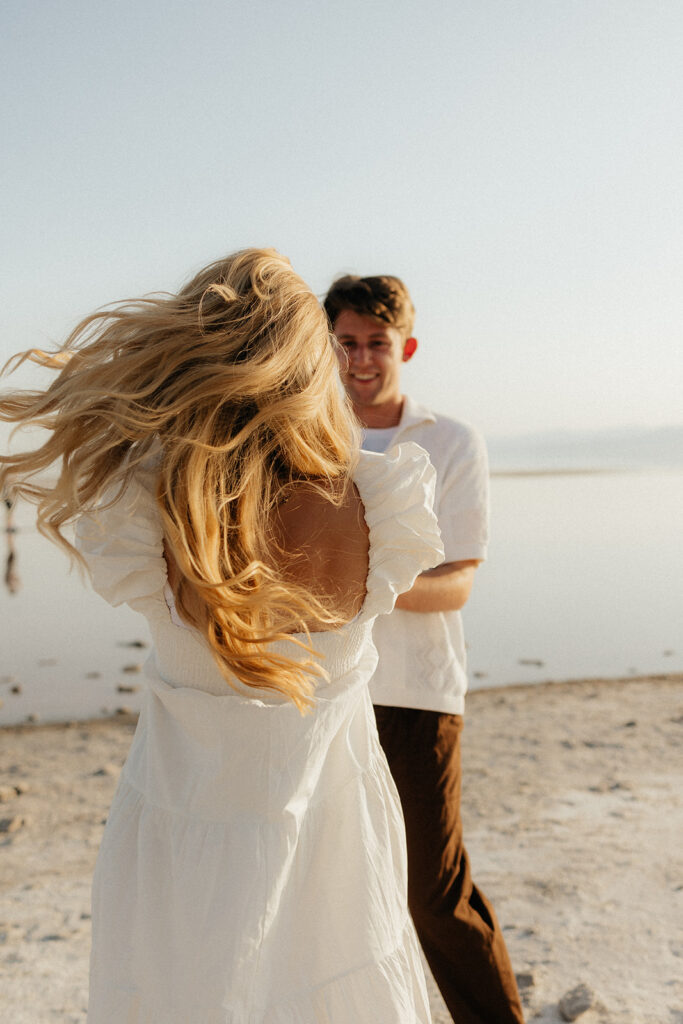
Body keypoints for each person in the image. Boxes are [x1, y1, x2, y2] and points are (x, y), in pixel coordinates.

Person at [0, 249, 445, 1023]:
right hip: (332, 833)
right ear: (310, 365)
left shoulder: (154, 508)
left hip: (180, 834)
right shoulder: (379, 503)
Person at [325, 273, 526, 1024]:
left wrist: (355, 583)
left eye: (376, 343)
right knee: (334, 884)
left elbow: (457, 583)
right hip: (322, 688)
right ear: (328, 346)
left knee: (430, 893)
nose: (361, 359)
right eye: (346, 343)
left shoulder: (450, 441)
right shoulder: (306, 434)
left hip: (416, 692)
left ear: (404, 345)